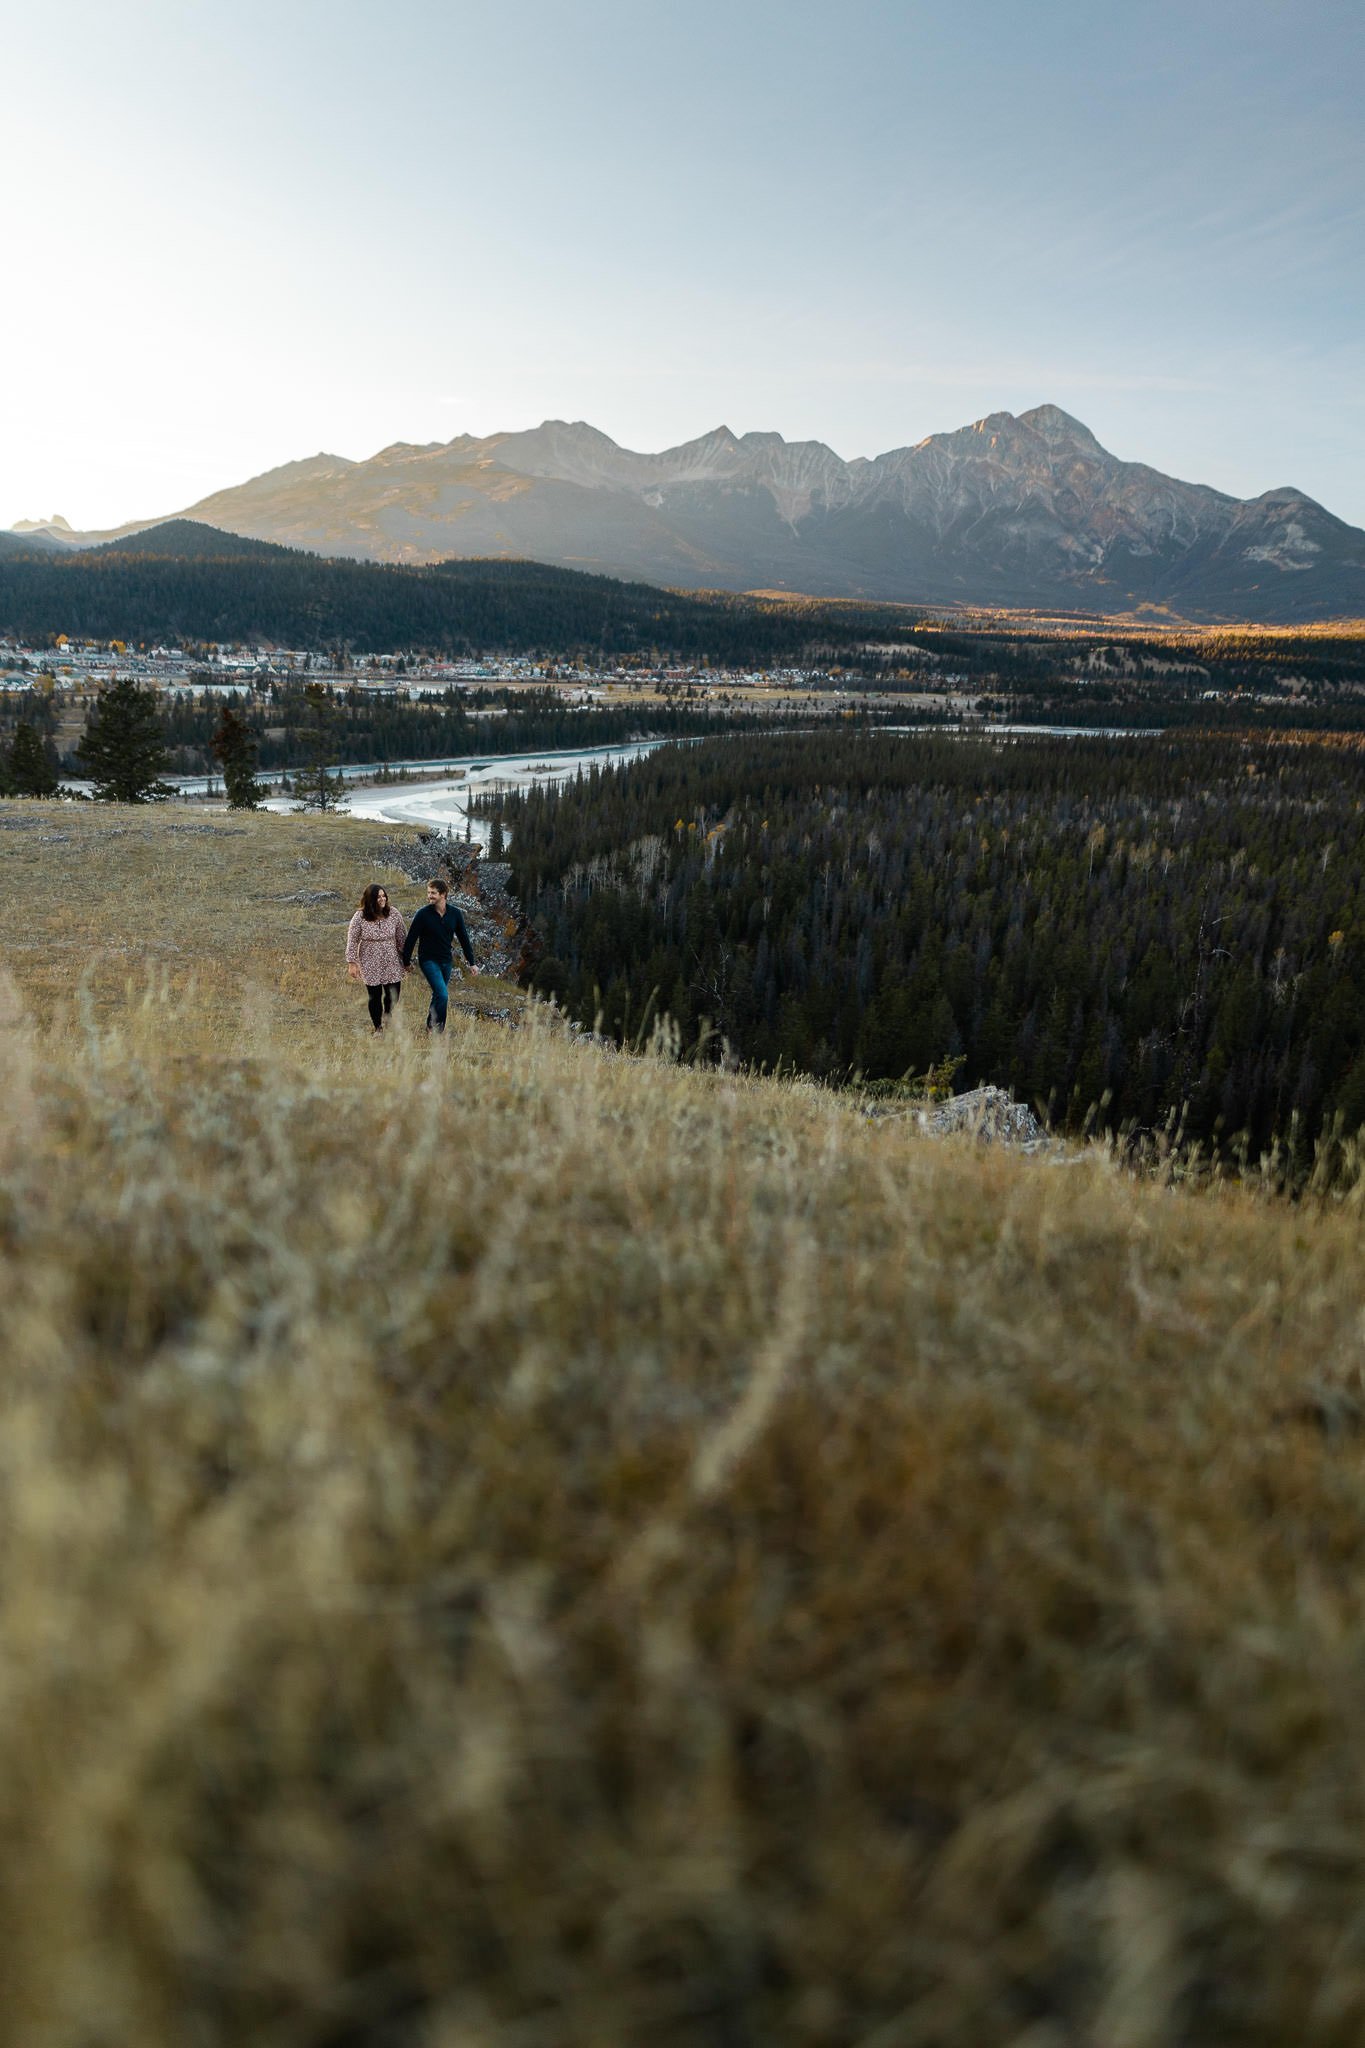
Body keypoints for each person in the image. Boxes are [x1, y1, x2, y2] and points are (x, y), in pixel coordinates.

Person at [400, 875, 478, 1033]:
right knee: (443, 994)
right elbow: (411, 939)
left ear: (443, 894)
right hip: (428, 960)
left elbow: (464, 939)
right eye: (428, 892)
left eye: (433, 893)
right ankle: (437, 1030)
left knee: (438, 994)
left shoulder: (455, 914)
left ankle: (430, 1025)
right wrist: (406, 962)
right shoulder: (422, 914)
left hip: (446, 961)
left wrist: (472, 962)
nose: (429, 896)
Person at [345, 883, 408, 1033]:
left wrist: (406, 959)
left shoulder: (393, 913)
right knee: (374, 995)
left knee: (393, 993)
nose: (382, 899)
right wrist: (352, 963)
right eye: (378, 896)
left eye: (383, 895)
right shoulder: (360, 916)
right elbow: (352, 939)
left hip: (391, 958)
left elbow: (402, 937)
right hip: (369, 958)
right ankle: (378, 1027)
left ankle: (388, 1016)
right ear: (370, 899)